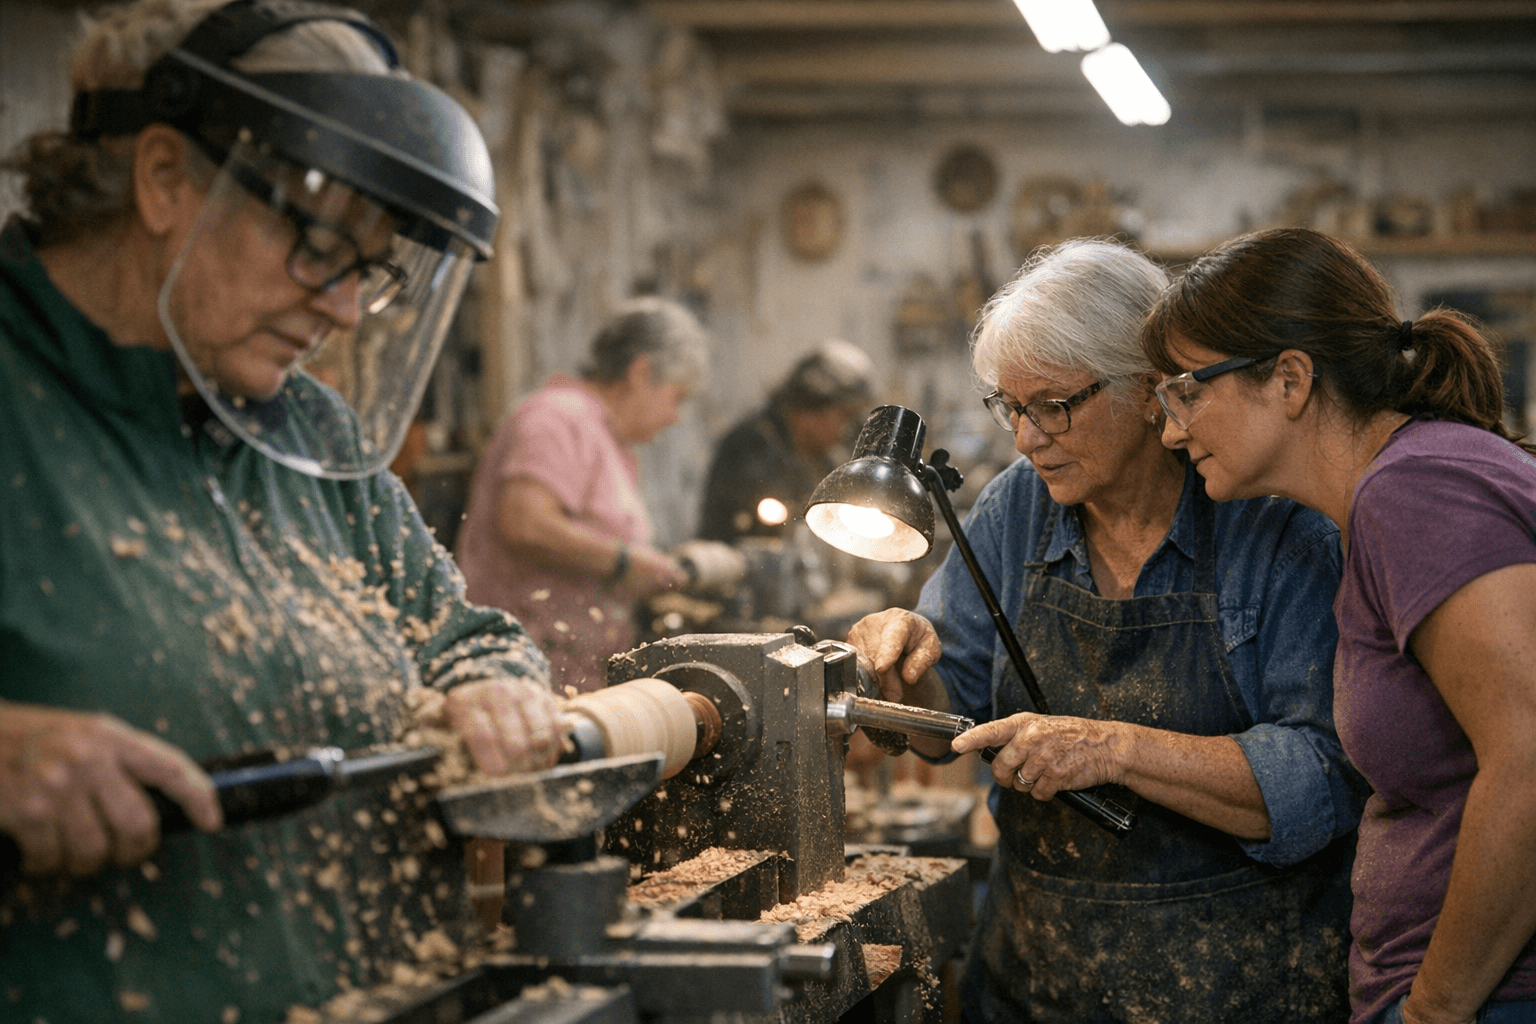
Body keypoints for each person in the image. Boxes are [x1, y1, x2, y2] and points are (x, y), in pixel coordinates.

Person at [0, 1, 563, 1019]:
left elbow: (462, 635)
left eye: (373, 270)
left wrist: (496, 685)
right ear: (166, 177)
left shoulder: (311, 432)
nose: (345, 308)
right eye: (316, 242)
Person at [846, 238, 1366, 1023]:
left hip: (1242, 986)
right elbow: (944, 727)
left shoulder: (1271, 522)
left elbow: (1324, 781)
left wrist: (1114, 748)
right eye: (1011, 408)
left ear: (1148, 389)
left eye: (1054, 405)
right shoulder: (1017, 510)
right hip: (1038, 979)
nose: (1027, 438)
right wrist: (904, 669)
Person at [1140, 226, 1536, 1024]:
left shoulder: (1413, 491)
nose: (1171, 431)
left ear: (1288, 379)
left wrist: (1433, 1008)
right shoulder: (1399, 487)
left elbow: (1530, 755)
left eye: (1186, 390)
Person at [456, 298, 707, 694]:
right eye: (677, 397)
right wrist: (627, 562)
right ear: (642, 372)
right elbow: (524, 522)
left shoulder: (609, 440)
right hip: (521, 672)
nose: (675, 416)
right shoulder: (557, 417)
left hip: (572, 671)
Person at [698, 339, 874, 542]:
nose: (848, 428)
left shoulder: (825, 458)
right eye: (844, 415)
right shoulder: (751, 446)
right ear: (812, 407)